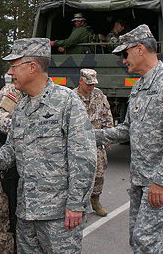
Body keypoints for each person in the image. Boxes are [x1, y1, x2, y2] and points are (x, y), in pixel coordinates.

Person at [0, 38, 97, 253]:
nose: (10, 72)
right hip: (26, 212)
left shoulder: (66, 102)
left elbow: (84, 157)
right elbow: (11, 151)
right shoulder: (21, 106)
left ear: (32, 67)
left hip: (59, 215)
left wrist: (76, 204)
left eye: (14, 66)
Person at [95, 24, 163, 253]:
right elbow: (127, 130)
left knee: (145, 239)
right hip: (141, 176)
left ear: (140, 49)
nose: (123, 60)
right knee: (136, 239)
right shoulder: (139, 86)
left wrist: (161, 181)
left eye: (125, 54)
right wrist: (90, 135)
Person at [73, 68, 114, 217]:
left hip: (97, 142)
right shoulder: (72, 97)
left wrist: (108, 134)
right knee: (79, 175)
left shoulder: (99, 95)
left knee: (99, 174)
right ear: (81, 81)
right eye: (88, 84)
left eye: (93, 84)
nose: (91, 87)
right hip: (78, 144)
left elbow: (107, 114)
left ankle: (95, 200)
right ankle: (79, 205)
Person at [0, 76, 22, 253]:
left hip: (25, 165)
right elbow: (2, 123)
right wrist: (30, 128)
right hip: (9, 165)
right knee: (7, 222)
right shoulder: (12, 92)